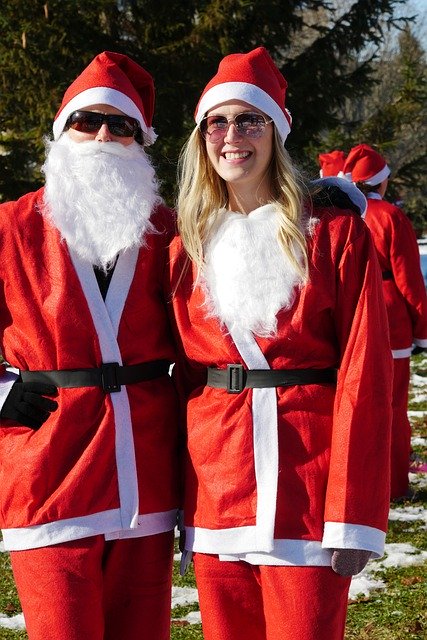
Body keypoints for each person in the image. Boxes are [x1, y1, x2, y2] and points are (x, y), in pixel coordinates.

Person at [168, 47, 393, 640]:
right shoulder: (185, 246)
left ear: (277, 132)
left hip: (308, 487)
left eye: (250, 120)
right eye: (217, 122)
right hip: (217, 488)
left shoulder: (334, 236)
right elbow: (177, 379)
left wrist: (354, 514)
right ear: (201, 138)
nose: (232, 136)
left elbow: (365, 375)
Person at [0, 51, 179, 640]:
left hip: (145, 470)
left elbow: (247, 250)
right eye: (87, 120)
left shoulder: (167, 229)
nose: (104, 135)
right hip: (47, 466)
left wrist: (320, 206)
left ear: (140, 140)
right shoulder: (11, 226)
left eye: (121, 124)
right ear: (62, 132)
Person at [343, 143, 427, 500]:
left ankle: (354, 484)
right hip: (390, 317)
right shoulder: (391, 216)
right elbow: (410, 281)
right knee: (392, 406)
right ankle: (392, 485)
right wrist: (422, 331)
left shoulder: (342, 214)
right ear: (382, 181)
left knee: (353, 403)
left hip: (349, 316)